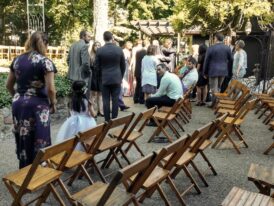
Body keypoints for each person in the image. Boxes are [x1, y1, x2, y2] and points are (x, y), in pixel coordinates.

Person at [6, 31, 57, 168]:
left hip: (19, 104)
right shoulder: (46, 62)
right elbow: (51, 89)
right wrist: (53, 103)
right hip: (38, 106)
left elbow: (8, 85)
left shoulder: (17, 60)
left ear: (29, 42)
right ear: (45, 44)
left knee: (23, 137)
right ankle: (39, 171)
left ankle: (24, 169)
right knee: (41, 138)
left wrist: (18, 98)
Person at [56, 81, 96, 150]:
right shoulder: (87, 101)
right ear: (84, 90)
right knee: (86, 138)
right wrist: (92, 105)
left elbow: (71, 113)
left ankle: (72, 150)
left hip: (73, 121)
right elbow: (93, 115)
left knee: (71, 136)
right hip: (87, 122)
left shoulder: (72, 101)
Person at [95, 31, 126, 121]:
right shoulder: (119, 49)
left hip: (104, 79)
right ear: (112, 38)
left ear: (104, 39)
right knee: (115, 99)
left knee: (105, 100)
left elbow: (97, 66)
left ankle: (107, 119)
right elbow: (123, 65)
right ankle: (115, 118)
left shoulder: (100, 50)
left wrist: (99, 77)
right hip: (116, 78)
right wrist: (120, 76)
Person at [203, 33, 233, 107]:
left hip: (213, 71)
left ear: (216, 38)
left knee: (214, 88)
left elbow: (206, 61)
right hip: (223, 71)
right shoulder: (227, 48)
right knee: (218, 88)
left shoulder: (211, 48)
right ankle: (216, 103)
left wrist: (205, 72)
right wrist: (229, 70)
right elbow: (231, 60)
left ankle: (214, 104)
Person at [89, 41, 104, 117]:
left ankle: (100, 111)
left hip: (101, 76)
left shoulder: (102, 55)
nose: (97, 47)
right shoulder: (91, 56)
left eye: (99, 45)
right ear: (93, 47)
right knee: (93, 94)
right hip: (93, 76)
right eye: (96, 45)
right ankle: (91, 110)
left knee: (100, 94)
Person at [132, 39, 146, 104]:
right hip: (141, 71)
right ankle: (141, 99)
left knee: (138, 85)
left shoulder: (137, 52)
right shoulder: (145, 52)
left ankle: (135, 98)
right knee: (141, 85)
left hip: (137, 70)